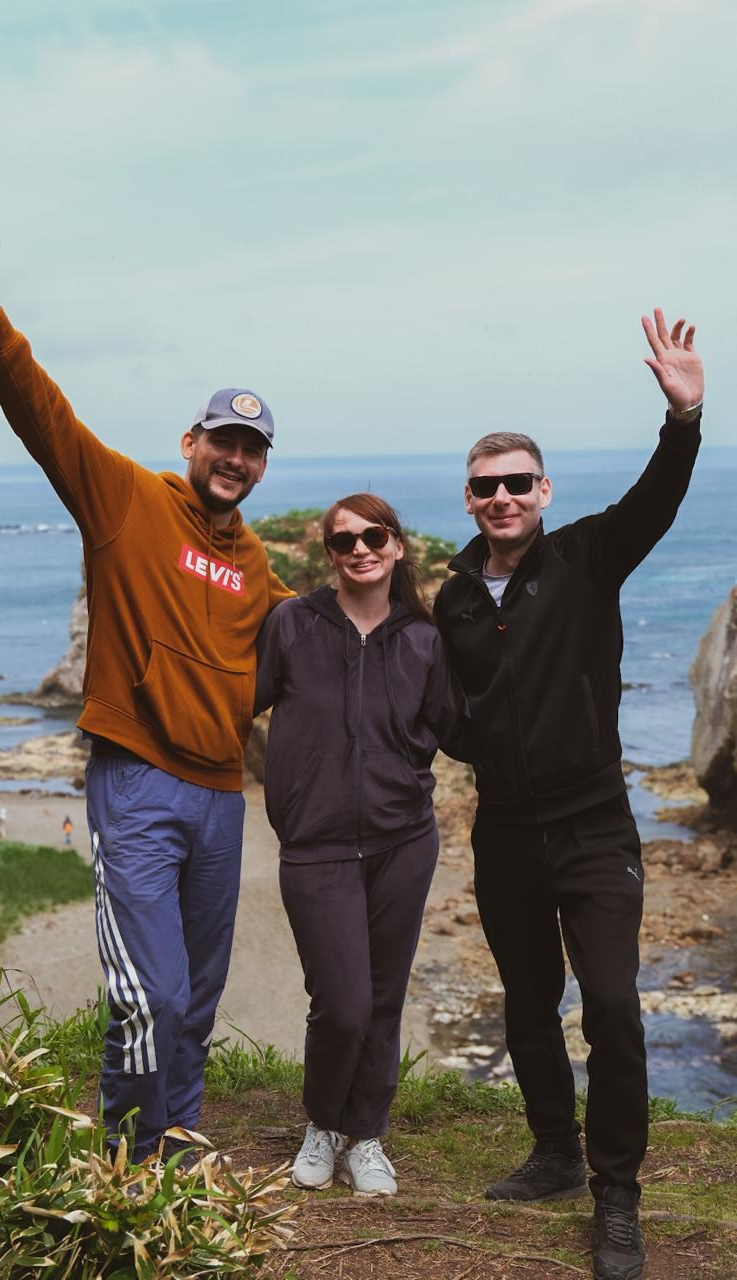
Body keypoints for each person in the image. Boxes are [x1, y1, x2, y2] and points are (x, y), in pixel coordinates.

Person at [0, 210, 293, 1166]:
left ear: (261, 465)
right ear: (191, 440)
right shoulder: (127, 498)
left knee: (196, 995)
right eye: (222, 440)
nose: (235, 459)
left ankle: (177, 1142)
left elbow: (334, 643)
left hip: (222, 795)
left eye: (251, 448)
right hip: (137, 779)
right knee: (148, 992)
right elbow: (46, 419)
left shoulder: (258, 569)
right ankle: (129, 1149)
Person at [433, 309, 703, 1280]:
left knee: (615, 1006)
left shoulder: (589, 555)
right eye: (485, 485)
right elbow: (447, 705)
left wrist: (682, 419)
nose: (502, 496)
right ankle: (553, 1148)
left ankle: (615, 1194)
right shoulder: (453, 598)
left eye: (518, 482)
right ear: (469, 499)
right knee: (527, 1001)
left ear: (542, 492)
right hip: (503, 826)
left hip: (592, 823)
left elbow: (657, 499)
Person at [255, 494, 464, 1197]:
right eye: (344, 541)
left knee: (382, 1000)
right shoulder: (292, 623)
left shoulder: (425, 639)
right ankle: (323, 1124)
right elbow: (236, 701)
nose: (360, 550)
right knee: (340, 1004)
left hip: (403, 841)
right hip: (314, 845)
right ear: (330, 555)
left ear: (396, 546)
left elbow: (456, 727)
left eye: (373, 536)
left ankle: (365, 1134)